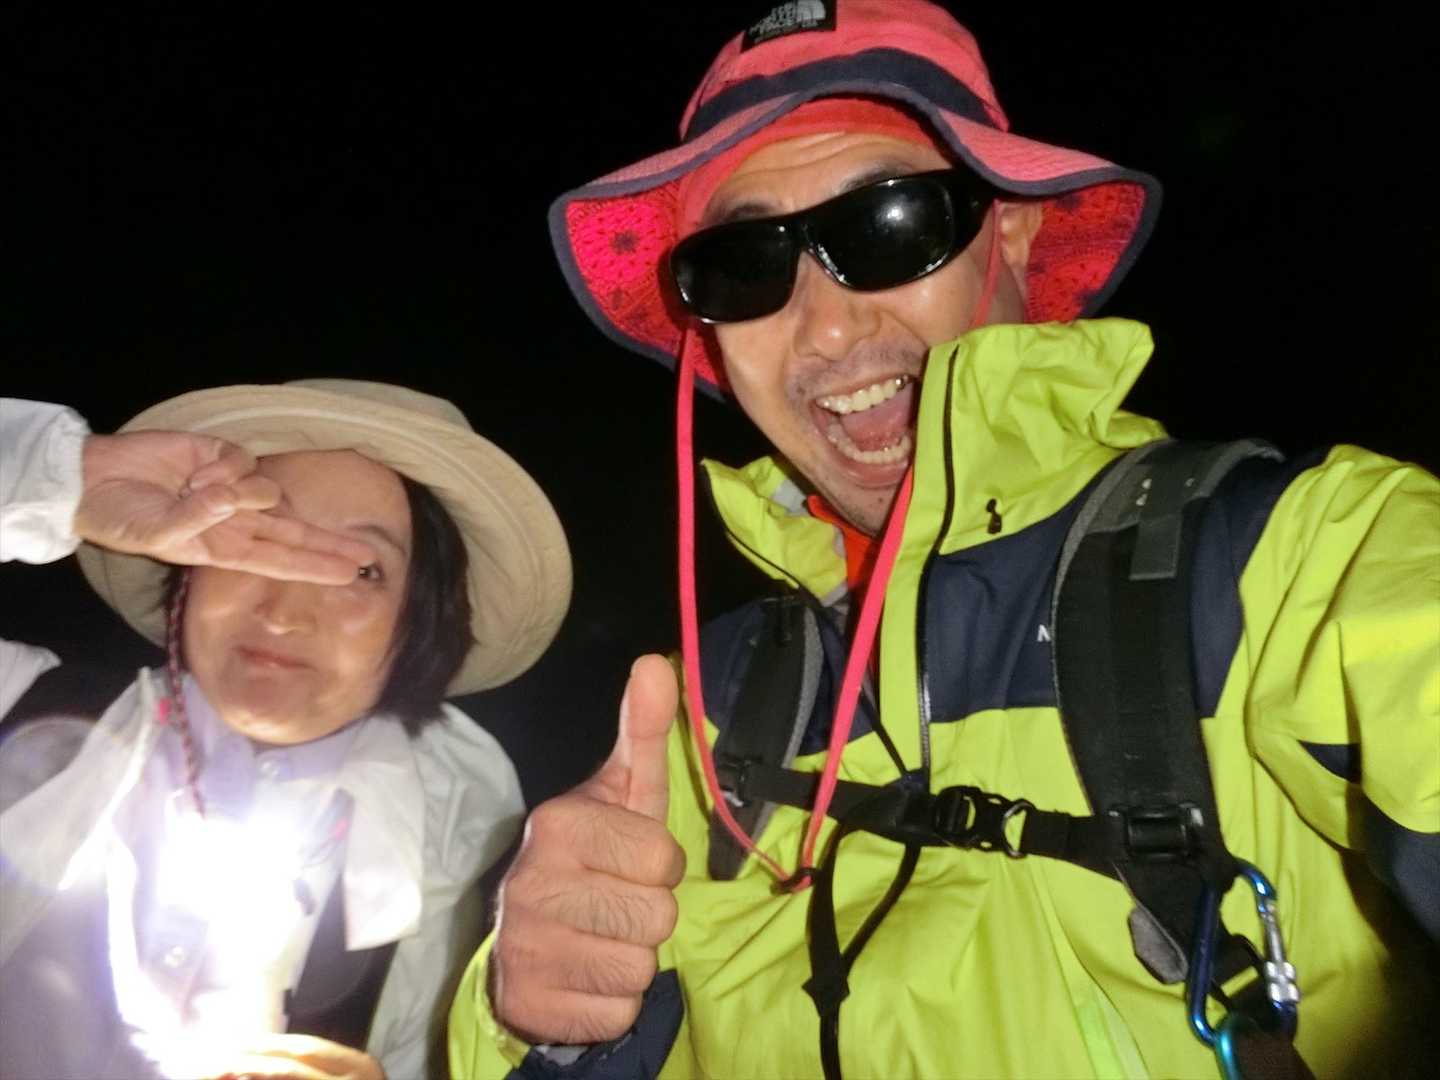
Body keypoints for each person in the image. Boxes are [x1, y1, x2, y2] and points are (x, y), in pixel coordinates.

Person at [448, 2, 1440, 1078]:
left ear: (1011, 233)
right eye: (742, 263)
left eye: (888, 223)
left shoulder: (1301, 556)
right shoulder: (703, 715)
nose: (828, 327)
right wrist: (530, 1011)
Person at [0, 379, 571, 1080]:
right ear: (187, 562)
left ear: (421, 621)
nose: (285, 612)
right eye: (256, 540)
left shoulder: (456, 869)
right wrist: (67, 478)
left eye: (361, 570)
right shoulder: (21, 710)